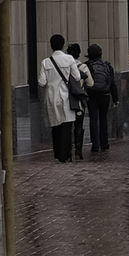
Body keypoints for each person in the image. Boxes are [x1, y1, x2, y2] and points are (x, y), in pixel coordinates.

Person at [38, 34, 83, 162]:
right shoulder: (69, 59)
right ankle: (65, 154)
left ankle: (58, 153)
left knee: (55, 126)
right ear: (63, 45)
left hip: (51, 97)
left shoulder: (46, 62)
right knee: (66, 126)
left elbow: (41, 82)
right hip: (66, 96)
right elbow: (77, 77)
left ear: (51, 46)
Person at [83, 45, 117, 154]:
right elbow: (112, 83)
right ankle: (104, 143)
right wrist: (116, 98)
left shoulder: (86, 65)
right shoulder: (107, 65)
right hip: (105, 94)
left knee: (93, 119)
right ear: (100, 53)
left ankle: (95, 144)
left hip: (91, 95)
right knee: (103, 119)